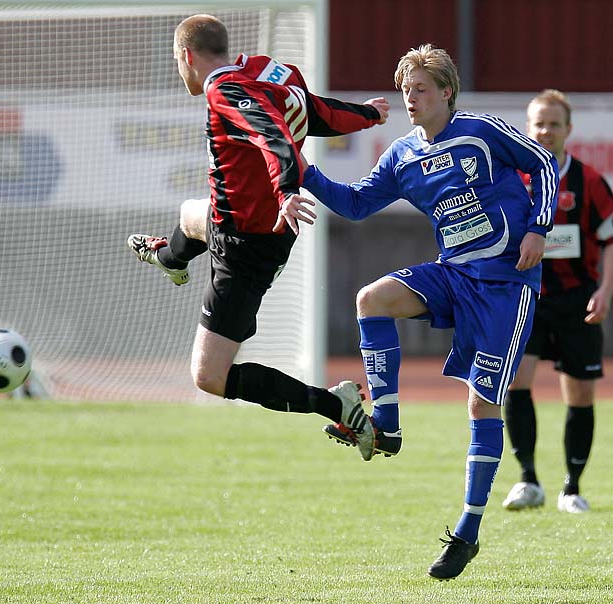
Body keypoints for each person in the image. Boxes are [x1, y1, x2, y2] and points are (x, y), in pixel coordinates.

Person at [285, 44, 559, 580]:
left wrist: (538, 228)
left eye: (421, 90)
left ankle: (468, 530)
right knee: (371, 299)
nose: (410, 99)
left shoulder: (482, 131)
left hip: (507, 283)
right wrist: (303, 170)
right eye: (406, 90)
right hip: (455, 275)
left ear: (447, 93)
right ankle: (386, 425)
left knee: (482, 408)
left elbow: (544, 163)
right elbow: (358, 203)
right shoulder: (403, 155)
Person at [127, 14, 391, 458]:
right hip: (237, 224)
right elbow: (314, 111)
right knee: (192, 214)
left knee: (209, 377)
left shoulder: (222, 89)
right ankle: (172, 259)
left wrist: (286, 189)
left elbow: (273, 133)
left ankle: (337, 404)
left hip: (245, 244)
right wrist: (366, 114)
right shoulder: (271, 71)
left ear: (186, 57)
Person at [501, 90, 613, 514]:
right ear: (527, 129)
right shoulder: (513, 179)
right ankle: (528, 480)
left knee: (581, 394)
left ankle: (572, 488)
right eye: (538, 124)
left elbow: (608, 238)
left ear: (569, 129)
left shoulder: (589, 181)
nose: (545, 130)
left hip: (577, 301)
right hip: (525, 298)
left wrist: (604, 291)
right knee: (516, 381)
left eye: (554, 123)